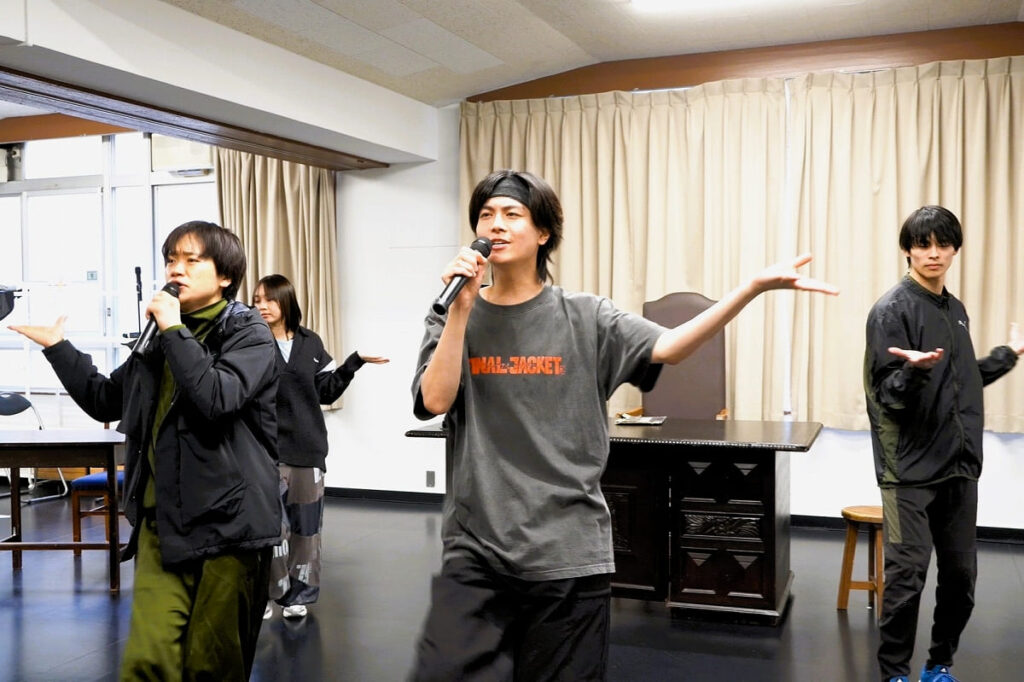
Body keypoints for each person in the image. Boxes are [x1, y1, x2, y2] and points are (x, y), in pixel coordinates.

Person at [409, 169, 838, 681]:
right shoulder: (451, 313)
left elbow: (671, 346)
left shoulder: (585, 315)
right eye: (485, 215)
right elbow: (434, 401)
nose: (495, 225)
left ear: (543, 232)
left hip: (567, 549)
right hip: (475, 550)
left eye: (511, 214)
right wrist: (460, 312)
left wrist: (751, 288)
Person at [10, 221, 281, 681]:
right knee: (147, 660)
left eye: (192, 260)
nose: (176, 270)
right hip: (162, 521)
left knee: (211, 665)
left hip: (231, 523)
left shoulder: (247, 331)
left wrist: (173, 328)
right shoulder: (157, 337)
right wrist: (59, 348)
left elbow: (217, 398)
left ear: (225, 277)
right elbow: (106, 400)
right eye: (171, 260)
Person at [864, 205, 1024, 682]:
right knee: (907, 578)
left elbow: (961, 379)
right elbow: (886, 395)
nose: (933, 253)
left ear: (955, 250)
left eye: (942, 244)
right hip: (907, 472)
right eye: (923, 244)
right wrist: (912, 371)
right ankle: (894, 673)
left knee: (961, 579)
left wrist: (1006, 356)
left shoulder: (955, 311)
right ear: (908, 250)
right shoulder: (892, 310)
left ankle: (938, 665)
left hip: (958, 465)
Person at [251, 274, 388, 620]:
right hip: (263, 451)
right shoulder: (249, 343)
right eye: (256, 300)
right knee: (269, 530)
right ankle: (267, 593)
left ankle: (298, 596)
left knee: (306, 532)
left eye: (269, 299)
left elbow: (326, 391)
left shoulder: (310, 342)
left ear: (286, 301)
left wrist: (354, 361)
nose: (262, 306)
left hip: (307, 451)